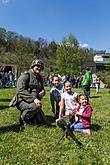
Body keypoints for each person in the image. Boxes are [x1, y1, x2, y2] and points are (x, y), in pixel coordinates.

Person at [16, 59, 47, 126]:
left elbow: (42, 89)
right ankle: (23, 118)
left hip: (34, 101)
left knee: (43, 121)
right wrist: (34, 99)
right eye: (37, 66)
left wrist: (43, 92)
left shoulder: (39, 77)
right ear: (33, 66)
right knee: (36, 107)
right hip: (22, 100)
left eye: (41, 67)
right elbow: (20, 90)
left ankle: (31, 117)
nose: (39, 68)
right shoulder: (26, 75)